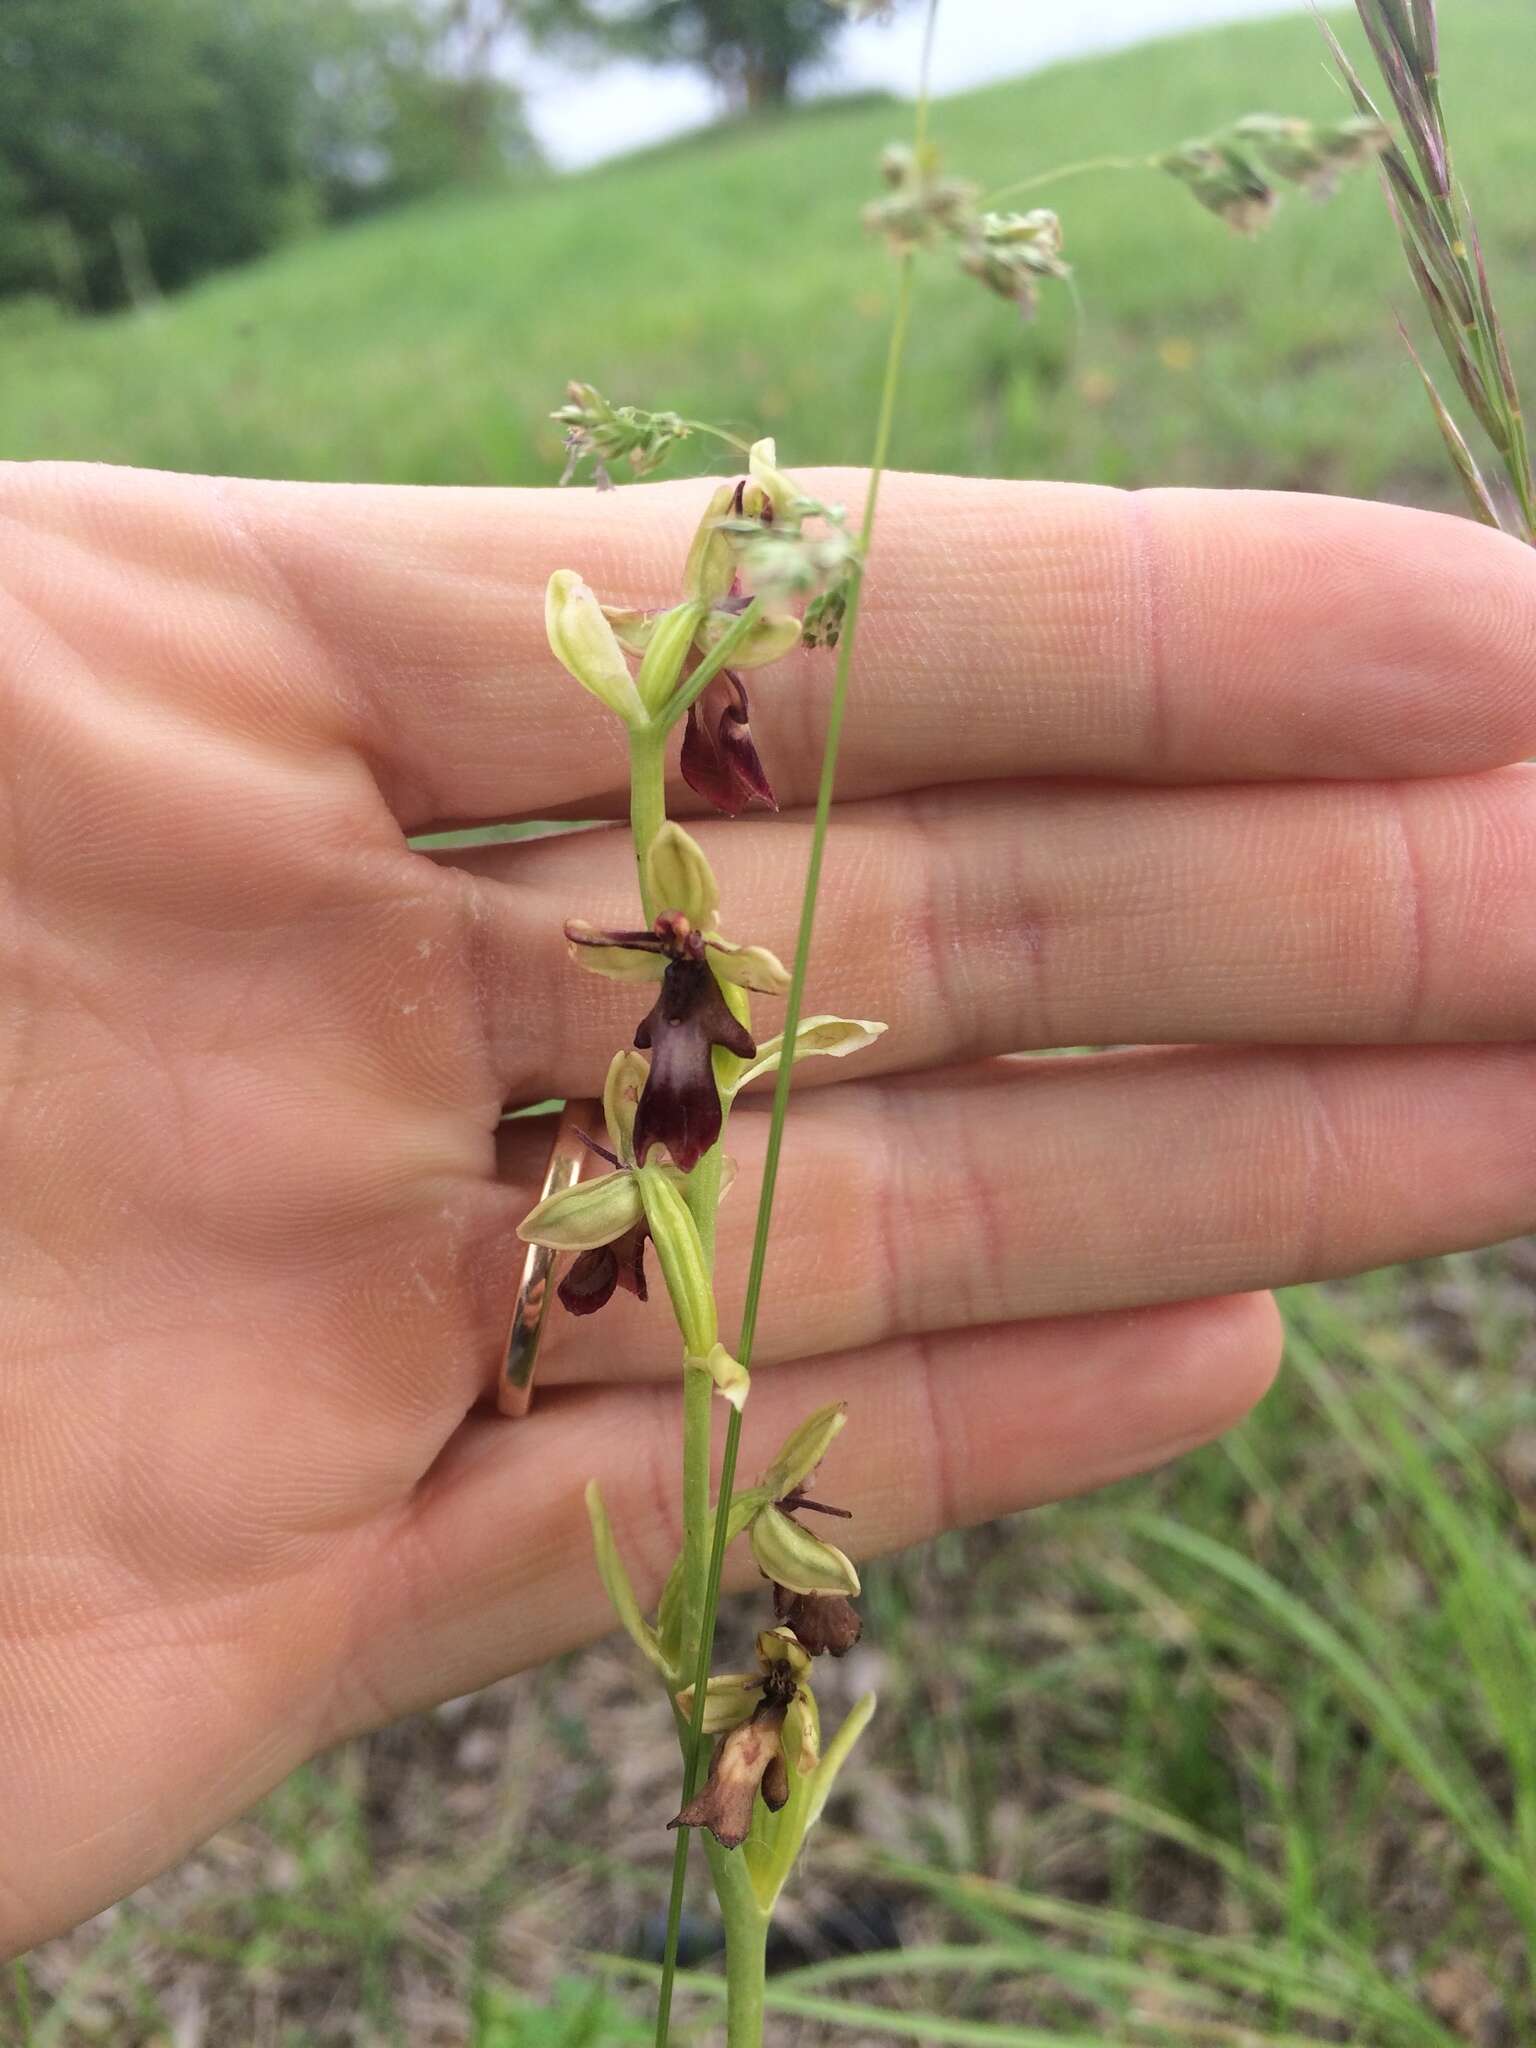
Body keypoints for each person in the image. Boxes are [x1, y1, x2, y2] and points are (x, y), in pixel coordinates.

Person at [3, 460, 1534, 1959]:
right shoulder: (666, 939)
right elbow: (689, 988)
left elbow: (754, 998)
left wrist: (709, 992)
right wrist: (665, 1053)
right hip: (667, 1047)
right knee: (677, 1233)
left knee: (700, 1258)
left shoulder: (708, 950)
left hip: (686, 1033)